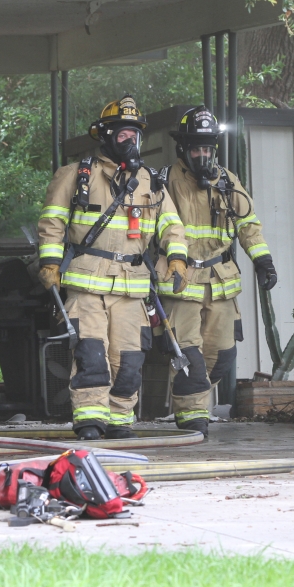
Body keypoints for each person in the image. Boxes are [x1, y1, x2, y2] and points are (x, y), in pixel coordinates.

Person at [37, 95, 188, 441]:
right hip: (87, 283)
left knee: (129, 360)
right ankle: (90, 419)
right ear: (105, 136)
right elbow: (52, 223)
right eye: (122, 134)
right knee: (91, 354)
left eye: (134, 134)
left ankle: (120, 419)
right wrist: (50, 263)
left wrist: (177, 258)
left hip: (132, 287)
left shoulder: (151, 181)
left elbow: (172, 226)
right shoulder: (76, 175)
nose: (130, 140)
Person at [157, 106, 277, 436]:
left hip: (220, 283)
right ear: (183, 148)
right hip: (181, 282)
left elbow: (248, 224)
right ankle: (192, 415)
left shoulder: (226, 180)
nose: (202, 155)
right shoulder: (165, 181)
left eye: (207, 149)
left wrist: (263, 261)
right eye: (196, 149)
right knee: (188, 353)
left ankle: (194, 399)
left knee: (222, 355)